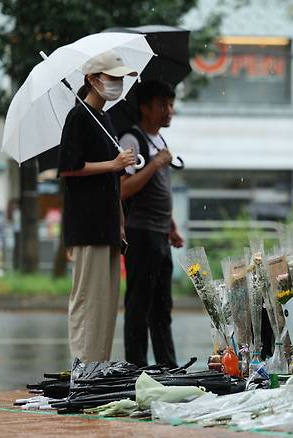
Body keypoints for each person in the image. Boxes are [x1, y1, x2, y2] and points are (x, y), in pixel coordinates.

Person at [58, 50, 136, 363]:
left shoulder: (104, 118)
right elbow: (69, 167)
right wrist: (112, 163)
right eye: (112, 78)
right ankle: (83, 366)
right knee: (87, 299)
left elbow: (113, 180)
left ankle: (98, 366)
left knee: (105, 302)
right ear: (92, 79)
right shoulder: (78, 116)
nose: (117, 84)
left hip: (106, 224)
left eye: (120, 79)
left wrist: (120, 222)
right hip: (86, 224)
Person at [119, 80, 184, 368]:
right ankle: (136, 369)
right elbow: (123, 188)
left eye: (170, 105)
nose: (168, 111)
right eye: (161, 105)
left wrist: (171, 226)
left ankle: (167, 368)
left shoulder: (161, 141)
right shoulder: (132, 140)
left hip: (159, 233)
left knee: (162, 307)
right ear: (144, 108)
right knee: (138, 306)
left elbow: (160, 188)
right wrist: (155, 164)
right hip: (140, 232)